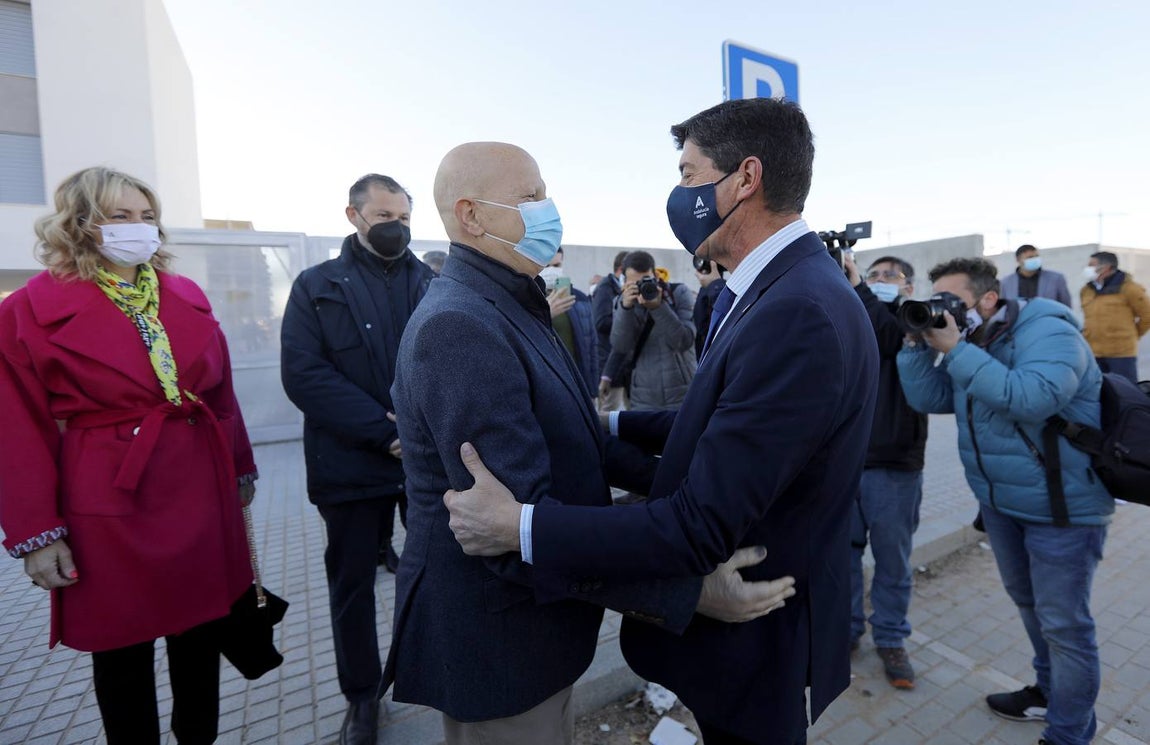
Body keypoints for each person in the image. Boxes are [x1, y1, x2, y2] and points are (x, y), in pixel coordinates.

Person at [443, 98, 879, 745]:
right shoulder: (782, 287)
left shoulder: (797, 311)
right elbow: (722, 420)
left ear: (745, 178)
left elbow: (697, 527)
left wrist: (520, 525)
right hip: (754, 624)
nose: (678, 193)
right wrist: (610, 426)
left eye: (688, 173)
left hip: (755, 625)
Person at [383, 141, 789, 745]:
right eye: (531, 197)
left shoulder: (512, 301)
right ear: (471, 215)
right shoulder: (459, 326)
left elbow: (582, 442)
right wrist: (689, 589)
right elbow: (507, 532)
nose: (550, 210)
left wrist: (690, 490)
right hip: (503, 649)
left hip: (544, 634)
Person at [0, 166, 258, 744]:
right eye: (119, 216)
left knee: (201, 637)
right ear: (80, 222)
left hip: (197, 487)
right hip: (108, 497)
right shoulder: (26, 311)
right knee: (122, 650)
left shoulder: (185, 294)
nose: (137, 228)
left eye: (146, 217)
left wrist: (240, 467)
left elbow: (221, 396)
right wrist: (37, 535)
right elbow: (16, 430)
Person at [898, 256, 1112, 745]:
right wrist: (915, 345)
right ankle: (1048, 692)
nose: (942, 310)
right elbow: (930, 399)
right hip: (1001, 504)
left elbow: (1031, 397)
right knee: (1032, 608)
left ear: (988, 299)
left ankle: (1069, 734)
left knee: (1065, 626)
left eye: (951, 301)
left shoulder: (1049, 331)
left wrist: (955, 349)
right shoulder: (976, 339)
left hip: (1062, 508)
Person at [280, 174, 434, 745]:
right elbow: (304, 374)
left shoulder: (432, 283)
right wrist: (384, 433)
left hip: (423, 464)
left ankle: (434, 671)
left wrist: (416, 435)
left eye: (404, 217)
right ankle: (362, 697)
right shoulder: (316, 285)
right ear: (354, 215)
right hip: (349, 465)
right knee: (352, 586)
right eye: (384, 216)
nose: (396, 227)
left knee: (437, 573)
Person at [844, 254, 928, 689]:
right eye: (872, 274)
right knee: (843, 557)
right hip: (846, 463)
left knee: (892, 562)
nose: (878, 280)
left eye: (888, 275)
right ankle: (847, 628)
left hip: (895, 467)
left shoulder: (916, 321)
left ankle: (891, 638)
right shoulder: (851, 315)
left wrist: (858, 287)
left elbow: (889, 337)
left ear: (908, 287)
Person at [611, 250, 697, 410]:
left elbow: (684, 341)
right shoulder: (622, 302)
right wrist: (626, 308)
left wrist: (658, 307)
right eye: (635, 283)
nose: (641, 287)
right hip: (643, 396)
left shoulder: (678, 293)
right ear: (625, 282)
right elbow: (621, 346)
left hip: (683, 392)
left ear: (655, 276)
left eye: (646, 280)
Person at [1080, 251, 1150, 384]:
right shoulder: (1086, 290)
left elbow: (1147, 316)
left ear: (1106, 267)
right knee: (1098, 390)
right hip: (1093, 353)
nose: (1087, 268)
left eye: (1091, 265)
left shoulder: (1130, 288)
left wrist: (1132, 335)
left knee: (1125, 390)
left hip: (1121, 354)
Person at [541, 246, 599, 397]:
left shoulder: (579, 298)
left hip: (577, 381)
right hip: (546, 383)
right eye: (546, 266)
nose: (552, 270)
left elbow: (591, 345)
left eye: (556, 265)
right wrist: (545, 314)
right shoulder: (528, 299)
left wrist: (592, 389)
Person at [593, 250, 630, 411]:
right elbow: (600, 322)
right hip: (609, 362)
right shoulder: (605, 288)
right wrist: (626, 317)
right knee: (608, 413)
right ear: (621, 269)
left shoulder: (619, 287)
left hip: (625, 367)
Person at [999, 244, 1072, 306]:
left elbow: (1066, 306)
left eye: (1036, 256)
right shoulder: (1006, 283)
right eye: (1030, 257)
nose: (1034, 260)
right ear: (1018, 260)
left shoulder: (1056, 279)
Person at [691, 255, 727, 360]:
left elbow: (727, 317)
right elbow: (701, 325)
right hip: (706, 355)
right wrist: (710, 286)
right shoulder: (710, 290)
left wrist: (715, 285)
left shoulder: (721, 289)